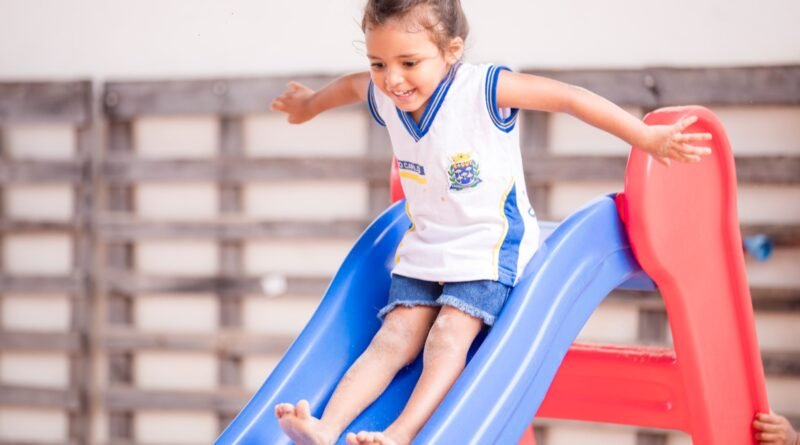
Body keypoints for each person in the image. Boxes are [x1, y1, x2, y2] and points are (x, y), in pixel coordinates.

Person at [271, 1, 712, 444]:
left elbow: (569, 98)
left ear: (452, 50)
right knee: (393, 337)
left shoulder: (482, 90)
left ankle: (400, 434)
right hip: (427, 245)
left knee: (447, 335)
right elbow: (351, 87)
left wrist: (644, 136)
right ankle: (325, 427)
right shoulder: (385, 95)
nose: (393, 79)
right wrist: (309, 104)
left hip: (487, 247)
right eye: (378, 63)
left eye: (409, 63)